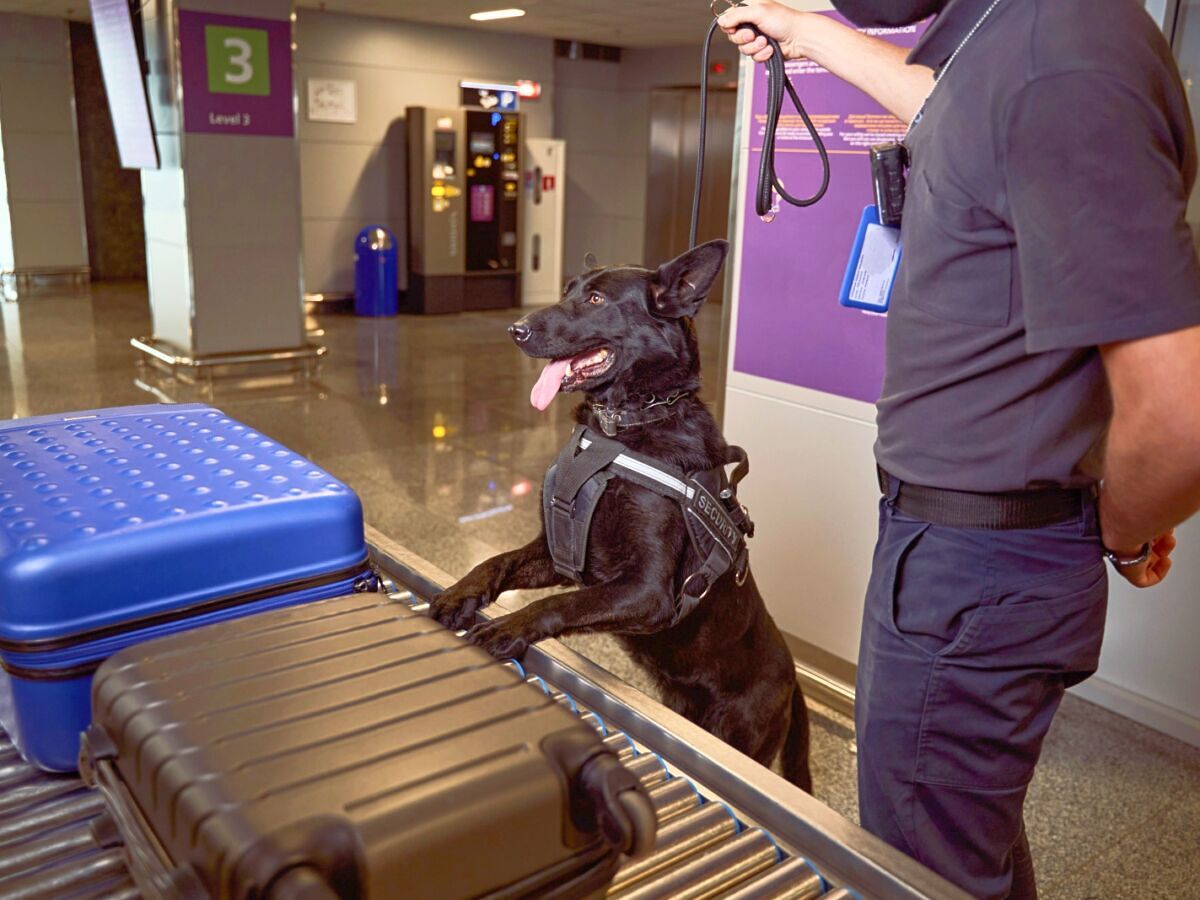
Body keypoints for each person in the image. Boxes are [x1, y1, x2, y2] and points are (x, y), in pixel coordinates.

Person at [720, 1, 1200, 898]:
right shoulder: (1006, 38)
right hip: (957, 552)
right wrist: (806, 31)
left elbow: (1181, 413)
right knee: (958, 848)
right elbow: (943, 104)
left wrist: (1125, 528)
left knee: (918, 872)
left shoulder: (1063, 53)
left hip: (979, 564)